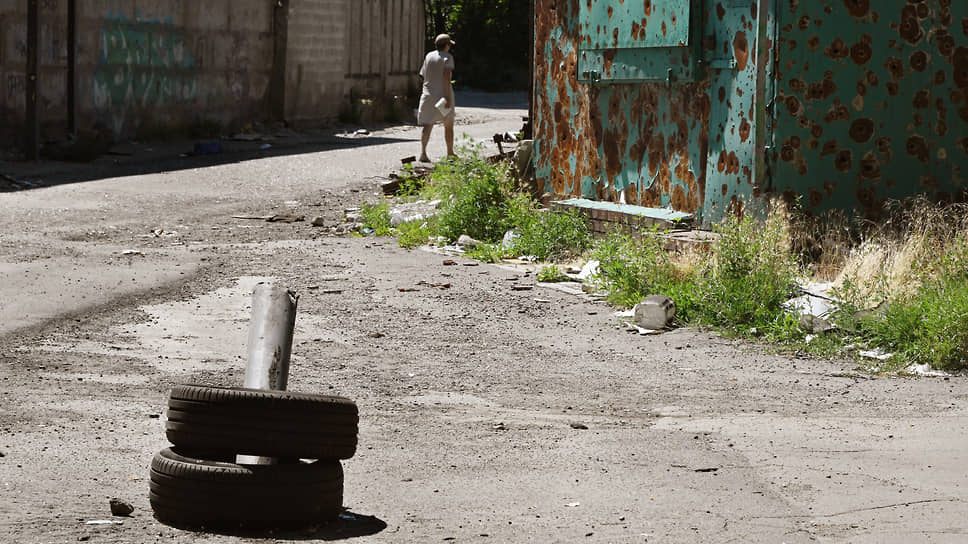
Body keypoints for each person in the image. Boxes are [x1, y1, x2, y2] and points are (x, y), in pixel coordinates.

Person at [418, 34, 456, 163]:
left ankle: (423, 153)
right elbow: (446, 77)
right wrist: (448, 97)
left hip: (427, 95)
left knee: (428, 124)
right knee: (448, 124)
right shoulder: (448, 57)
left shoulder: (429, 56)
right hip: (442, 96)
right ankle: (450, 153)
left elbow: (423, 74)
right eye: (449, 44)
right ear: (446, 45)